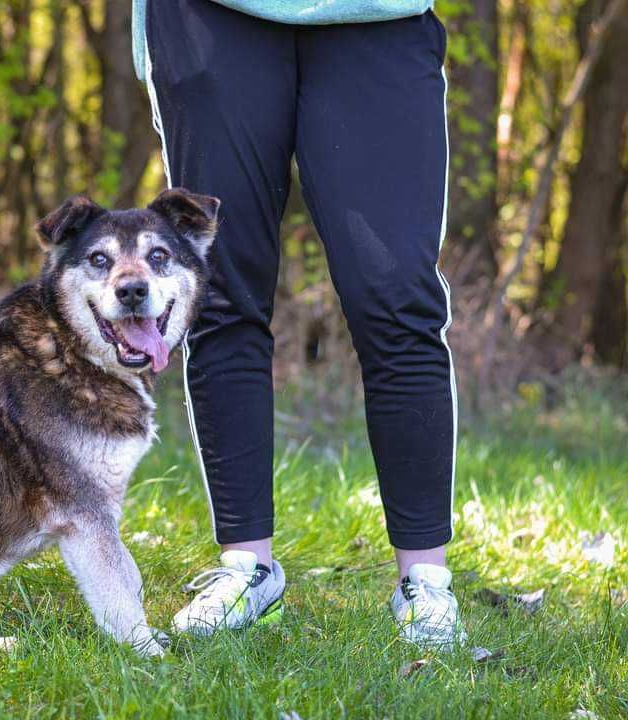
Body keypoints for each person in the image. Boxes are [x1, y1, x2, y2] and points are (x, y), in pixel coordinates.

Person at [134, 0, 465, 648]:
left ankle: (425, 582)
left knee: (396, 294)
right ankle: (248, 567)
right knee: (221, 291)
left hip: (379, 19)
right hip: (211, 18)